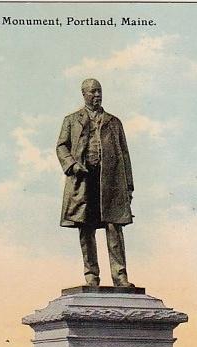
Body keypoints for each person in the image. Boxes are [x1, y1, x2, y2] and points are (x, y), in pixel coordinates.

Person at [56, 78, 135, 287]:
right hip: (84, 180)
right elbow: (61, 147)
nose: (97, 95)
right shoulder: (71, 120)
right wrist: (72, 165)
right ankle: (91, 275)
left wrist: (128, 187)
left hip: (111, 180)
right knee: (86, 227)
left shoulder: (113, 122)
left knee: (114, 226)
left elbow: (125, 155)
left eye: (99, 91)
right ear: (84, 95)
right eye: (93, 92)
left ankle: (120, 276)